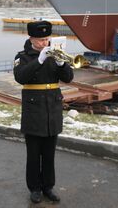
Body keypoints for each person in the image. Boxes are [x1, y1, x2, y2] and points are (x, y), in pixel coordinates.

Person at [13, 21, 74, 204]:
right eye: (40, 40)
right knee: (33, 154)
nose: (44, 43)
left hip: (52, 109)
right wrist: (39, 59)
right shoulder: (23, 56)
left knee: (49, 153)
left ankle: (48, 186)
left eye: (46, 39)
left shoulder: (55, 53)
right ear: (31, 38)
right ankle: (35, 188)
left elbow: (68, 78)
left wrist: (62, 63)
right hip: (34, 110)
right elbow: (21, 77)